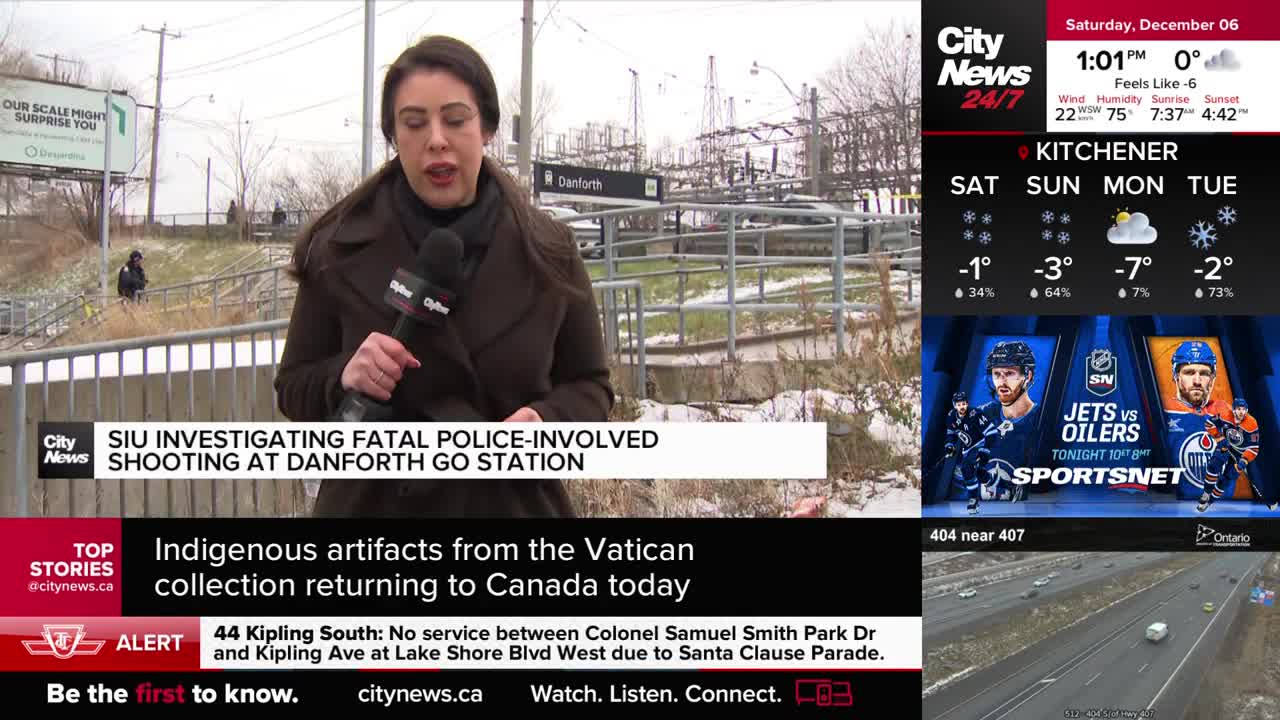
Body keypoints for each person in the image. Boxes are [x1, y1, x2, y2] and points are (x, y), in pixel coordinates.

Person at [274, 35, 614, 518]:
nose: (436, 138)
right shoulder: (338, 248)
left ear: (487, 127)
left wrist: (548, 421)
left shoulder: (550, 251)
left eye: (456, 120)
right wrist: (344, 373)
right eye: (414, 123)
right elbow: (293, 387)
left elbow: (591, 386)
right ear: (394, 136)